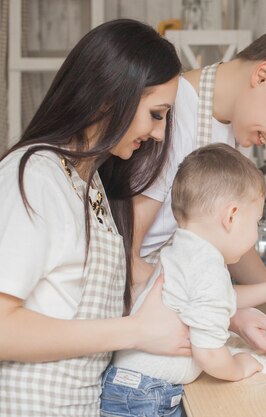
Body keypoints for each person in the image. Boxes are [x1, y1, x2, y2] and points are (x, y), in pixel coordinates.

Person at [0, 19, 190, 416]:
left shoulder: (90, 182)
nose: (159, 133)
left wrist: (231, 313)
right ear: (110, 97)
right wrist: (137, 331)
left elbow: (136, 278)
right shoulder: (35, 177)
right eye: (156, 114)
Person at [132, 27, 266, 358]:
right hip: (141, 324)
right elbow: (124, 255)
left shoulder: (237, 126)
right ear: (263, 75)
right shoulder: (169, 116)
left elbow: (228, 236)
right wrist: (228, 313)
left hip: (181, 313)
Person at [101, 144, 266, 417]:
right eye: (256, 222)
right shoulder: (208, 269)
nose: (254, 234)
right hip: (149, 397)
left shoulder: (185, 249)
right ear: (231, 216)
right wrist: (238, 367)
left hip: (128, 388)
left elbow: (217, 299)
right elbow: (209, 354)